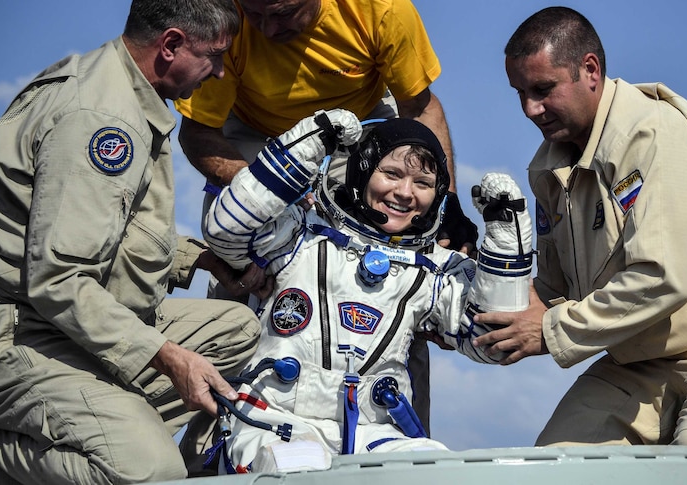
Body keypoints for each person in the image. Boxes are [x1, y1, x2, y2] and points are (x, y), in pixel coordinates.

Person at [473, 6, 687, 446]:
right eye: (518, 92)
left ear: (590, 70)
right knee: (552, 468)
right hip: (638, 360)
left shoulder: (657, 134)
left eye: (542, 89)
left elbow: (663, 276)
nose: (529, 109)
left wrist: (548, 331)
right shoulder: (549, 171)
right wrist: (472, 299)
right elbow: (555, 292)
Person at [0, 1, 265, 483]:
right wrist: (169, 355)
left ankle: (112, 424)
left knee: (237, 329)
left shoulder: (122, 84)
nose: (220, 71)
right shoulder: (102, 121)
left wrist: (200, 260)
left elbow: (104, 232)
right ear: (170, 45)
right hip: (7, 330)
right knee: (148, 471)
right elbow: (58, 279)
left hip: (64, 317)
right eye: (214, 55)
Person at [173, 0, 479, 433]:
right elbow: (198, 132)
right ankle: (211, 445)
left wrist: (449, 205)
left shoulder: (381, 11)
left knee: (398, 280)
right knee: (241, 277)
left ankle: (400, 436)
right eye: (256, 15)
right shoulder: (232, 17)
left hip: (360, 126)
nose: (266, 29)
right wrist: (274, 191)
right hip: (253, 132)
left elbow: (420, 106)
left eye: (282, 14)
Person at [201, 112, 533, 473]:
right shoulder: (301, 235)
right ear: (361, 171)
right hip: (274, 421)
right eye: (391, 174)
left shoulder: (432, 268)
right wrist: (312, 139)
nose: (404, 193)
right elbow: (226, 229)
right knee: (297, 467)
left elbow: (494, 338)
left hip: (374, 432)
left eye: (422, 182)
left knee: (435, 472)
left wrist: (506, 239)